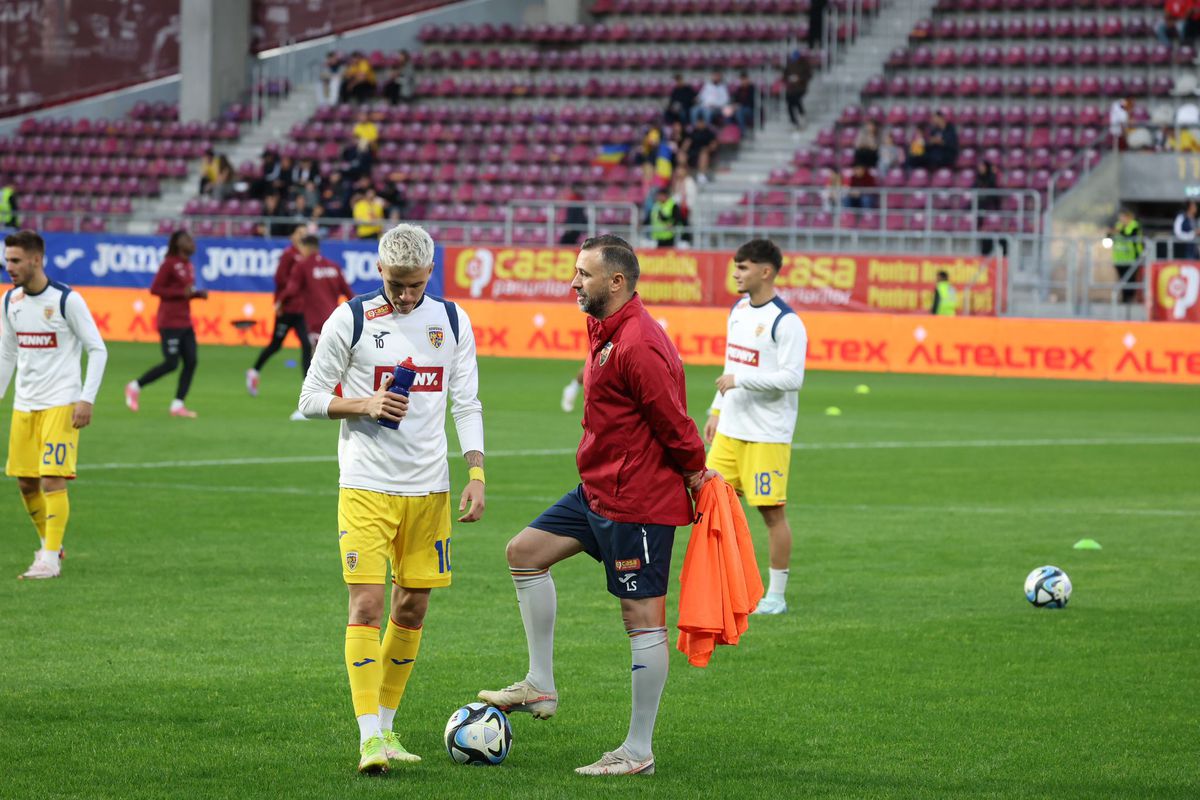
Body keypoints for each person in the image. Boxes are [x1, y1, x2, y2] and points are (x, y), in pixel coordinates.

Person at [478, 234, 715, 776]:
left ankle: (637, 751)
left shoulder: (639, 342)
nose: (573, 281)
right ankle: (540, 685)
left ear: (617, 281)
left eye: (583, 273)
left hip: (639, 502)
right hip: (597, 490)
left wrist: (697, 476)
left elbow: (674, 422)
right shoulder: (603, 326)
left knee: (641, 618)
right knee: (524, 552)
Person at [298, 223, 485, 774]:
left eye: (415, 285)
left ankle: (386, 725)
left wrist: (476, 472)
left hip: (430, 490)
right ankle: (367, 739)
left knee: (413, 606)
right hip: (366, 486)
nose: (406, 296)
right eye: (397, 284)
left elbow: (467, 403)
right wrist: (364, 403)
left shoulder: (450, 320)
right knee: (367, 605)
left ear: (432, 273)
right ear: (379, 271)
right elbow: (310, 398)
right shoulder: (351, 318)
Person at [702, 239, 806, 615]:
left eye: (743, 267)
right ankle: (724, 585)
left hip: (766, 435)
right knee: (711, 505)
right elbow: (730, 361)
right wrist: (716, 409)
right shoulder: (738, 310)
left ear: (765, 271)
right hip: (731, 429)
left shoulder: (786, 322)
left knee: (770, 513)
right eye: (735, 266)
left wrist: (741, 381)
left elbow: (792, 378)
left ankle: (776, 594)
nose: (736, 274)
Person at [1, 230, 107, 580]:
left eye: (15, 260)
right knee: (26, 485)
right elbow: (8, 352)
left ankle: (48, 560)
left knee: (51, 480)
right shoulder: (9, 301)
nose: (8, 266)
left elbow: (97, 349)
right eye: (7, 259)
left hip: (62, 403)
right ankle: (50, 543)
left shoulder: (66, 300)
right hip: (25, 405)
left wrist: (86, 398)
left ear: (36, 259)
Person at [124, 230, 206, 418]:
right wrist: (181, 294)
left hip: (185, 321)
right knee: (171, 363)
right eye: (187, 239)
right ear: (178, 244)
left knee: (191, 361)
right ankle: (135, 386)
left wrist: (197, 295)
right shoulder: (169, 264)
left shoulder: (189, 265)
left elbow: (184, 291)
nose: (192, 242)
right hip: (170, 322)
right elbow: (155, 289)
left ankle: (178, 405)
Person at [247, 225, 311, 397]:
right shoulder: (289, 255)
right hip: (287, 308)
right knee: (275, 345)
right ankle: (254, 370)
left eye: (305, 234)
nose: (303, 236)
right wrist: (280, 301)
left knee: (306, 344)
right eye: (300, 233)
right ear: (293, 237)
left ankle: (308, 385)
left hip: (301, 309)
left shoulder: (306, 256)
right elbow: (280, 279)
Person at [1110, 207, 1144, 303]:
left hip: (1132, 257)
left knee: (1130, 280)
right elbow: (1111, 236)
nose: (1121, 219)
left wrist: (1118, 231)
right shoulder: (1118, 225)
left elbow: (1130, 236)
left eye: (1123, 217)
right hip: (1119, 259)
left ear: (1129, 217)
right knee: (1122, 281)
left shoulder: (1134, 225)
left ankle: (1130, 299)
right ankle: (1124, 299)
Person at [783, 50, 812, 136]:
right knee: (789, 103)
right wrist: (788, 79)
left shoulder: (804, 64)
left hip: (801, 87)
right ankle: (793, 122)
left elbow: (809, 75)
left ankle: (802, 115)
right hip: (791, 87)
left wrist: (799, 78)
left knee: (796, 99)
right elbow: (784, 75)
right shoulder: (789, 64)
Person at [682, 118, 718, 182]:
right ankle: (684, 175)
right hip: (693, 152)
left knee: (703, 155)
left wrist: (707, 149)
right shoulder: (693, 132)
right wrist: (683, 151)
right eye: (698, 122)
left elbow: (714, 145)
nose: (699, 124)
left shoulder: (709, 133)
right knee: (682, 155)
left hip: (705, 153)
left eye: (701, 122)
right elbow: (687, 143)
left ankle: (701, 175)